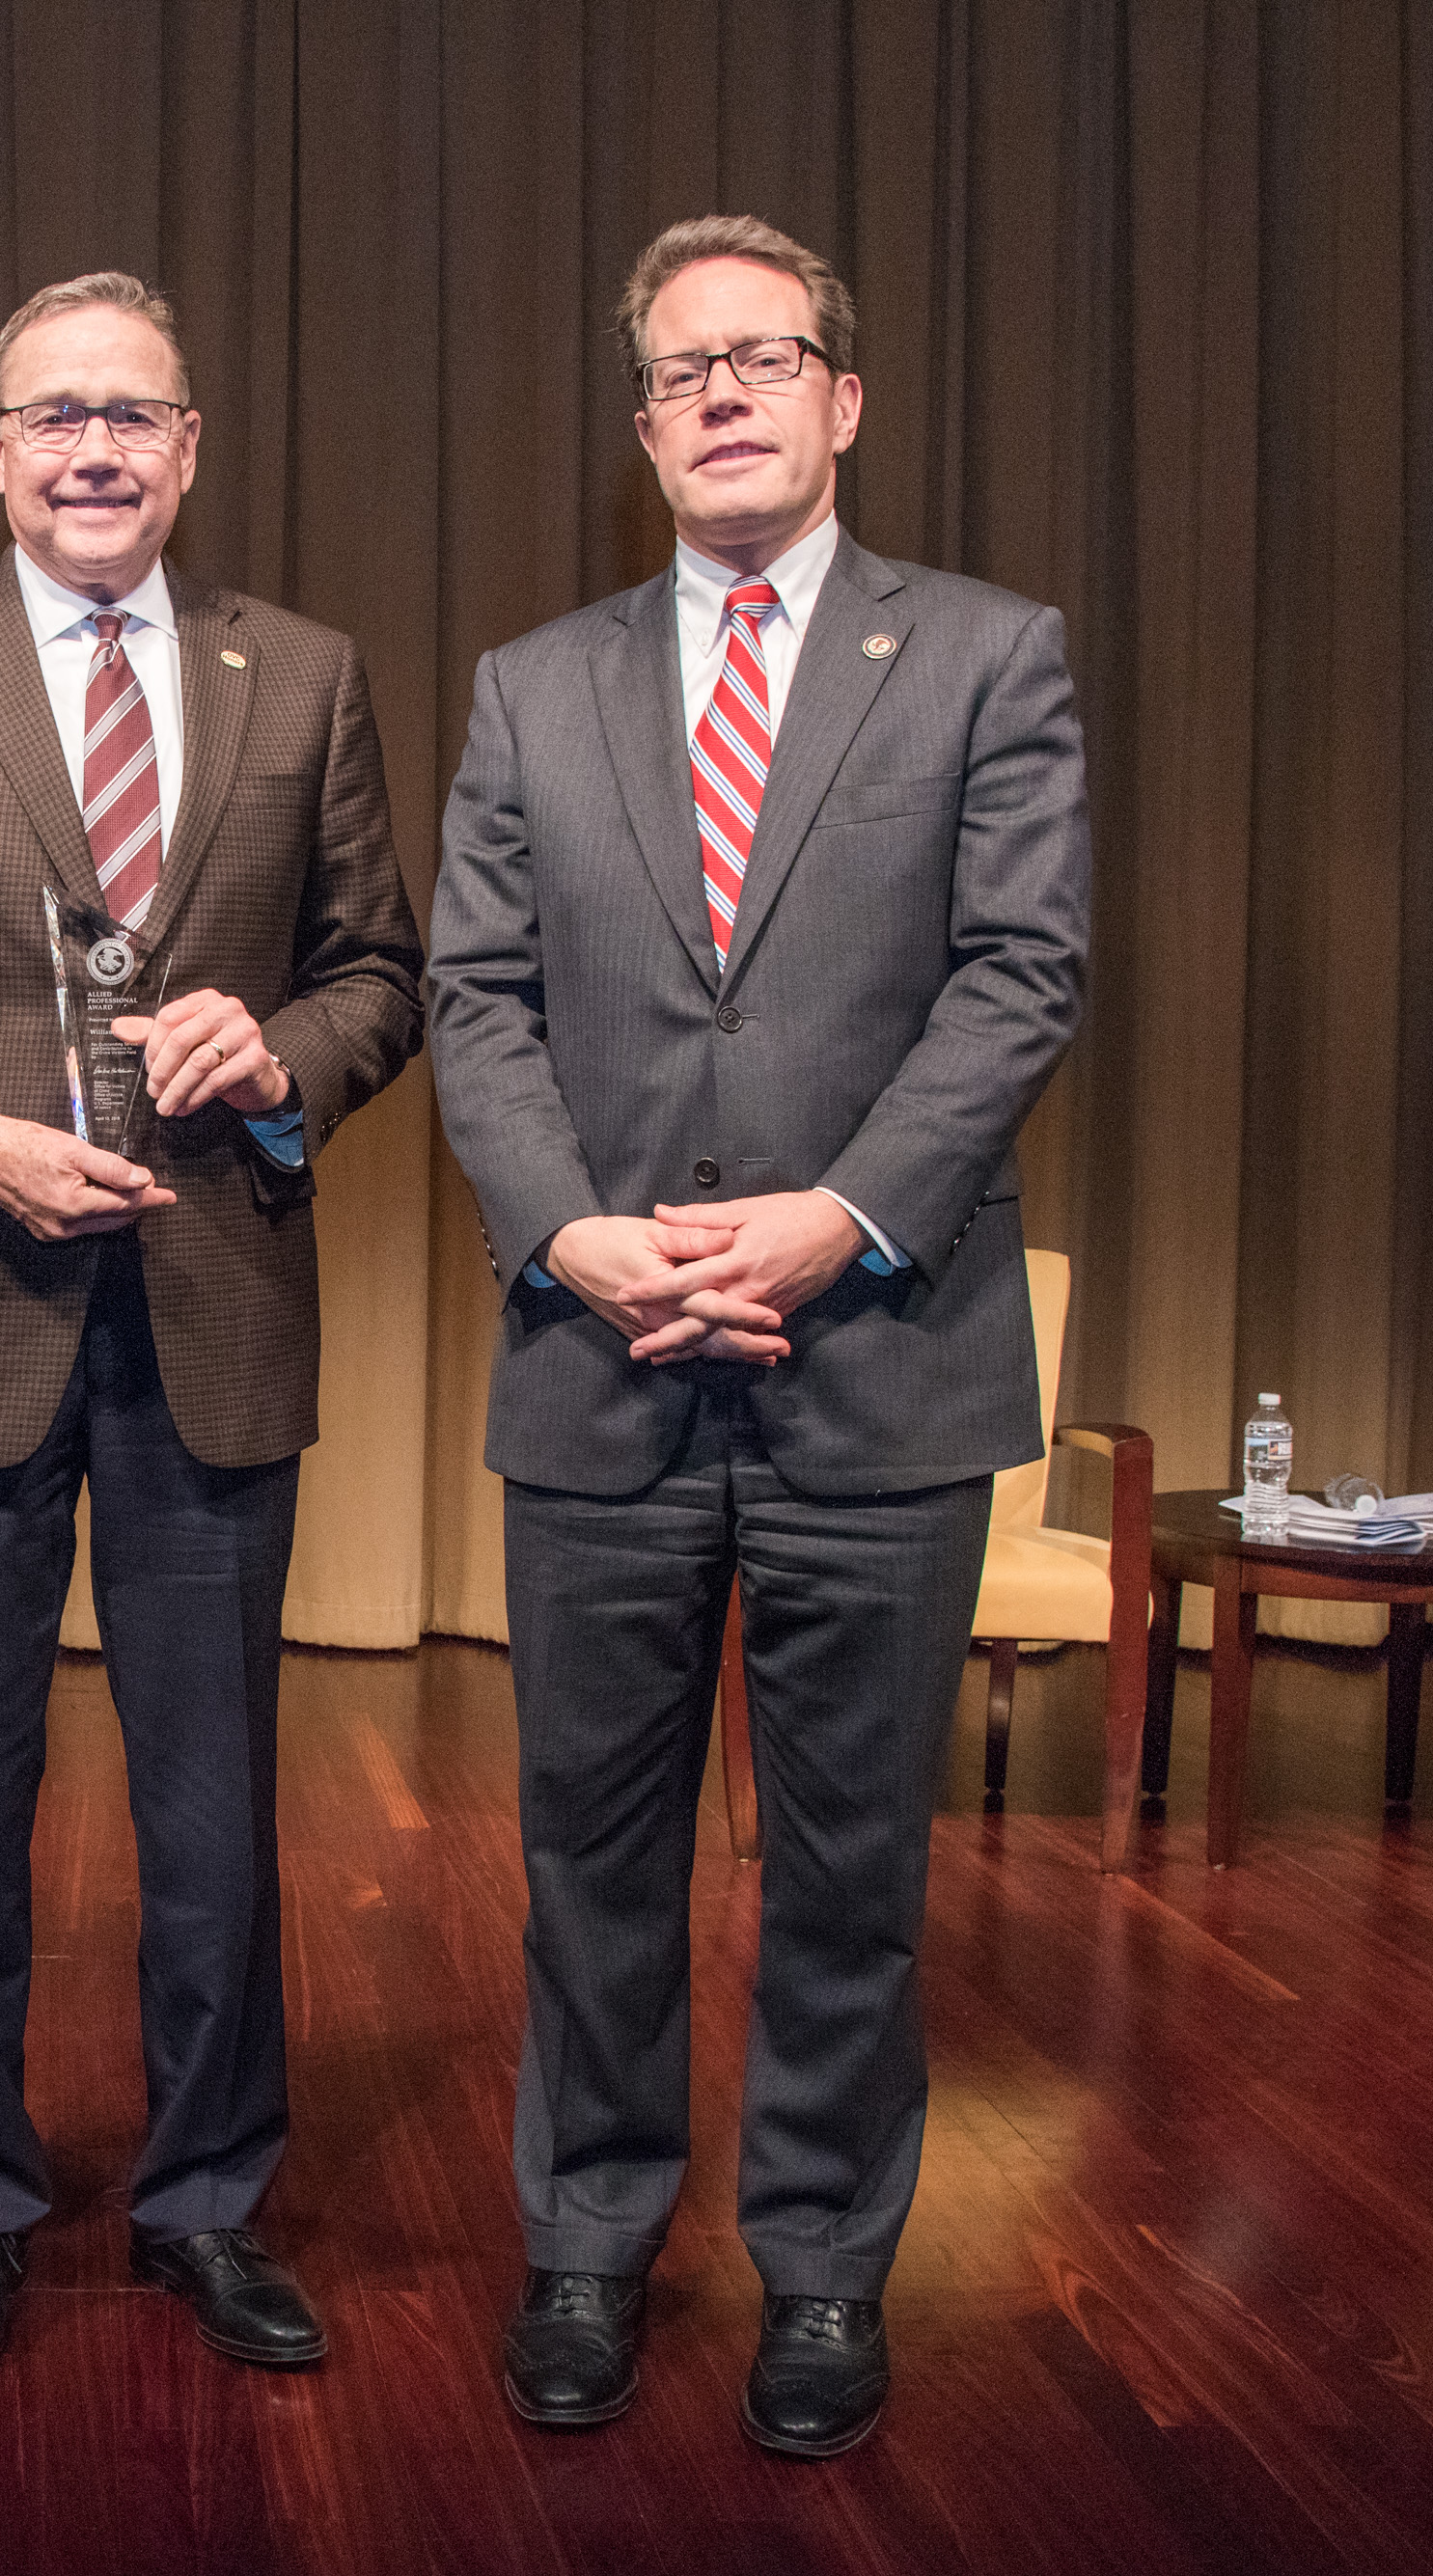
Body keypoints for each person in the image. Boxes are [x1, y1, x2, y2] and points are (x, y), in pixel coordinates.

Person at [428, 216, 1090, 2455]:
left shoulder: (988, 657)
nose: (721, 394)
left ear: (840, 402)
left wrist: (835, 1221)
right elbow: (472, 999)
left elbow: (1018, 974)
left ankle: (819, 2274)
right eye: (679, 370)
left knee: (847, 1868)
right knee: (588, 1863)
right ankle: (590, 2246)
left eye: (763, 357)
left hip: (877, 1368)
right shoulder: (534, 684)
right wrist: (575, 1238)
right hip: (597, 1359)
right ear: (640, 427)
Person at [0, 272, 422, 2379]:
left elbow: (381, 972)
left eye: (132, 413)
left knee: (212, 1798)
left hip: (209, 1302)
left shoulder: (300, 677)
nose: (94, 448)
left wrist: (282, 1048)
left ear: (190, 443)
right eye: (54, 414)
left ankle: (206, 2203)